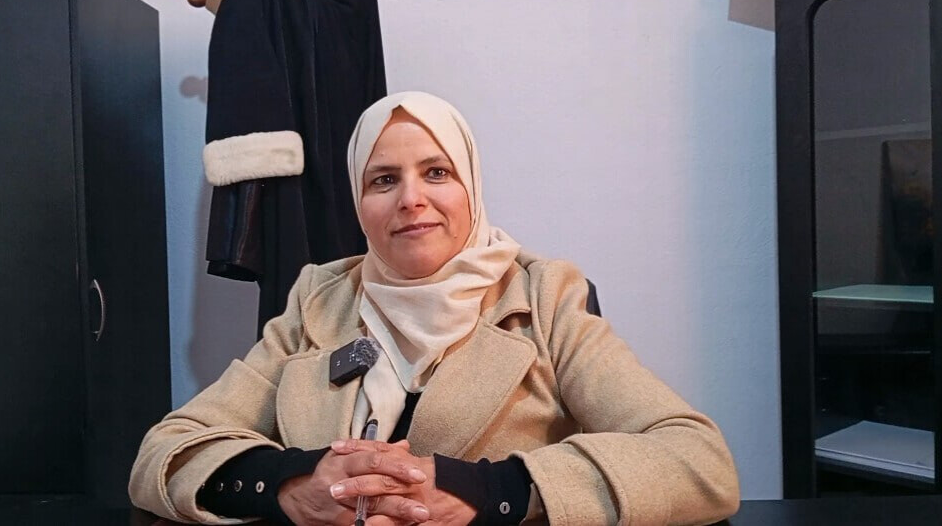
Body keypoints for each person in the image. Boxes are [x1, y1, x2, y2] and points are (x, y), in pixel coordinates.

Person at [129, 92, 741, 525]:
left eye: (437, 172)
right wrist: (288, 485)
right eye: (383, 180)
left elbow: (698, 461)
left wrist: (490, 492)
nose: (412, 199)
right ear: (359, 203)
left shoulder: (546, 296)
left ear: (471, 186)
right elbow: (167, 449)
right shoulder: (319, 298)